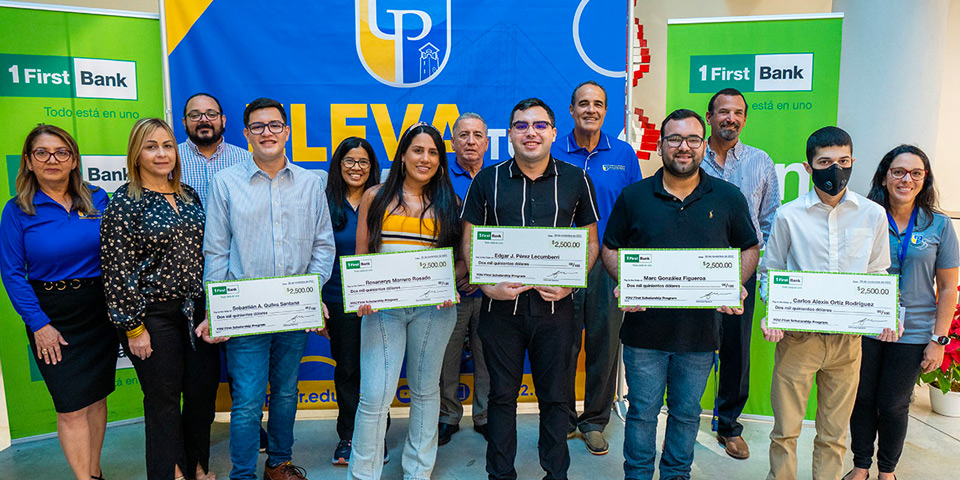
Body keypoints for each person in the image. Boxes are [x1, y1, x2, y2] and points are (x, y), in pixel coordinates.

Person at [600, 109, 759, 480]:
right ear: (660, 146)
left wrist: (734, 283)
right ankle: (638, 475)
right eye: (674, 139)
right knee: (642, 413)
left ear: (704, 146)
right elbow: (610, 247)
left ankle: (676, 474)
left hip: (700, 335)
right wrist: (626, 279)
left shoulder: (728, 197)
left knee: (687, 415)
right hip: (643, 334)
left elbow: (749, 247)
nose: (683, 147)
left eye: (692, 139)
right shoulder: (634, 196)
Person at [460, 98, 600, 480]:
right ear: (510, 134)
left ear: (553, 133)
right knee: (501, 397)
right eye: (521, 125)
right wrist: (485, 285)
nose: (530, 133)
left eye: (539, 125)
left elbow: (590, 242)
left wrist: (570, 283)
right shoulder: (487, 180)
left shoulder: (576, 179)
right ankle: (500, 474)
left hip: (556, 312)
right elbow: (469, 239)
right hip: (499, 312)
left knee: (555, 399)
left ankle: (556, 474)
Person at [201, 98, 335, 480]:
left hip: (293, 312)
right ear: (246, 134)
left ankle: (278, 463)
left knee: (287, 393)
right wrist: (217, 310)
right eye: (257, 127)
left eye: (274, 125)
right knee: (246, 401)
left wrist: (310, 295)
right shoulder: (225, 183)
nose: (267, 133)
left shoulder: (311, 183)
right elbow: (216, 250)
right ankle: (243, 474)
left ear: (287, 132)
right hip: (245, 313)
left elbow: (323, 245)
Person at [759, 126, 899, 480]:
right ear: (809, 167)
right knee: (785, 432)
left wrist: (887, 313)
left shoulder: (872, 214)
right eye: (825, 162)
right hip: (798, 340)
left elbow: (877, 272)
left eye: (843, 161)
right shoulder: (789, 215)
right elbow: (770, 271)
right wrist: (772, 312)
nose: (835, 169)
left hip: (847, 344)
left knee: (834, 436)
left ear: (853, 162)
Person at [100, 118, 217, 480]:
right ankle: (172, 473)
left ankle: (197, 466)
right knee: (163, 400)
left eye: (167, 145)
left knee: (200, 395)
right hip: (152, 315)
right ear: (136, 154)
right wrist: (134, 329)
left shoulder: (188, 194)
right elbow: (116, 271)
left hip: (197, 310)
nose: (162, 153)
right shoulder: (124, 202)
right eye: (151, 147)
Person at [0, 124, 116, 480]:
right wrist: (39, 325)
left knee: (96, 397)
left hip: (98, 310)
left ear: (74, 160)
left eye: (61, 152)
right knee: (70, 407)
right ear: (28, 161)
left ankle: (94, 472)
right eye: (42, 152)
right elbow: (12, 273)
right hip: (52, 315)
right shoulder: (17, 210)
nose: (52, 159)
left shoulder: (98, 198)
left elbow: (116, 254)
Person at [347, 123, 460, 480]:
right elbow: (362, 255)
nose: (425, 158)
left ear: (440, 161)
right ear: (403, 156)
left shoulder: (450, 203)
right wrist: (363, 292)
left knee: (426, 392)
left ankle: (418, 472)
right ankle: (362, 475)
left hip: (435, 312)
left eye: (433, 152)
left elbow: (460, 262)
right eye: (418, 150)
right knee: (374, 396)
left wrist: (449, 284)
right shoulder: (375, 197)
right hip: (383, 310)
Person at [843, 145, 959, 480]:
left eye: (915, 173)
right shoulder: (864, 218)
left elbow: (948, 287)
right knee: (862, 398)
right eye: (898, 172)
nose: (906, 179)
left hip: (914, 331)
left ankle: (887, 471)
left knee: (894, 403)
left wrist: (938, 340)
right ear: (884, 176)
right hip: (866, 326)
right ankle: (861, 466)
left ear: (925, 179)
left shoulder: (938, 225)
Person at [551, 80, 643, 455]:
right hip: (561, 264)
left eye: (598, 104)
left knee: (604, 346)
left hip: (608, 263)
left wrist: (631, 268)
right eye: (584, 103)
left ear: (606, 111)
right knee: (561, 345)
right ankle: (561, 419)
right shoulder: (552, 151)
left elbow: (636, 210)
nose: (591, 109)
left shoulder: (623, 153)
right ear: (571, 110)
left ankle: (594, 421)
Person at [701, 88, 781, 460]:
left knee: (736, 350)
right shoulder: (691, 156)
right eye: (723, 111)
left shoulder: (760, 161)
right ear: (709, 116)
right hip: (693, 273)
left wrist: (759, 275)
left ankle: (729, 425)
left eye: (737, 113)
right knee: (689, 347)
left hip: (740, 272)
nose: (730, 118)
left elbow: (770, 222)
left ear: (745, 119)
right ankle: (682, 419)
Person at [322, 137, 381, 465]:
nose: (356, 168)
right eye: (349, 161)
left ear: (372, 167)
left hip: (380, 300)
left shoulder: (385, 200)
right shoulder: (323, 201)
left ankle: (377, 436)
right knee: (346, 370)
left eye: (363, 162)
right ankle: (347, 435)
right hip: (338, 299)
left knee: (378, 371)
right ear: (339, 165)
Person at [438, 112, 492, 445]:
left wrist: (479, 272)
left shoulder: (499, 178)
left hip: (490, 288)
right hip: (450, 286)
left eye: (477, 135)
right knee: (447, 355)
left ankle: (485, 415)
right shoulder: (439, 178)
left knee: (488, 356)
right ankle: (448, 416)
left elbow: (508, 232)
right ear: (453, 142)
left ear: (487, 142)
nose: (471, 141)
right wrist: (458, 271)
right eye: (463, 135)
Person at [178, 92, 251, 204]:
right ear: (184, 122)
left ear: (223, 120)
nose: (204, 119)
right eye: (194, 115)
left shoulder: (246, 159)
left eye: (211, 114)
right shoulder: (171, 159)